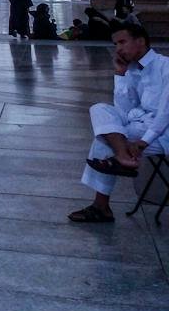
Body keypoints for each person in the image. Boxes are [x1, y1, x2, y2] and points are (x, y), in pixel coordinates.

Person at [69, 22, 168, 224]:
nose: (118, 49)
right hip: (138, 124)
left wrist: (143, 142)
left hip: (162, 133)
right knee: (99, 109)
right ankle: (122, 156)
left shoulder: (165, 67)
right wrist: (121, 74)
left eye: (122, 42)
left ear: (140, 41)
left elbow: (165, 114)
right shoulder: (131, 69)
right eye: (116, 44)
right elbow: (122, 111)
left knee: (103, 140)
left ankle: (101, 206)